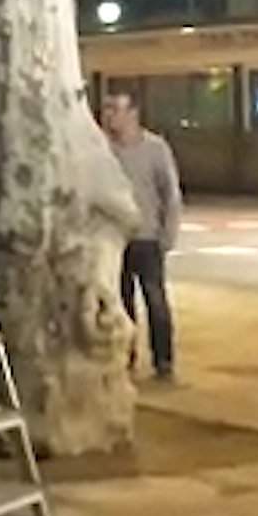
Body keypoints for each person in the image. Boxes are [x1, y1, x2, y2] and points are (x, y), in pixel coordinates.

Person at [103, 90, 183, 380]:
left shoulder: (155, 148)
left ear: (133, 113)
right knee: (120, 304)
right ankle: (126, 358)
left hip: (147, 238)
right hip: (114, 241)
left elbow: (171, 193)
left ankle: (164, 361)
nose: (109, 115)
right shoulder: (101, 150)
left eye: (115, 108)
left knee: (155, 300)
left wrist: (168, 233)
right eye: (107, 108)